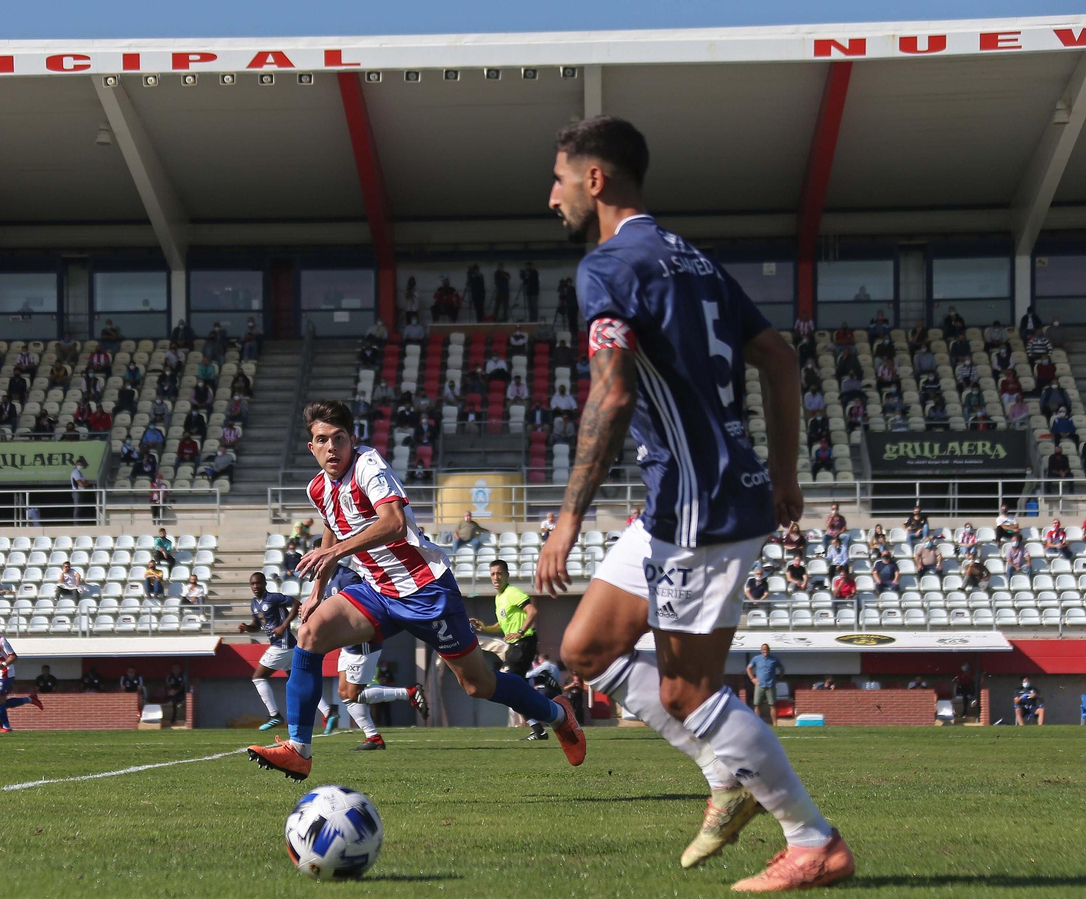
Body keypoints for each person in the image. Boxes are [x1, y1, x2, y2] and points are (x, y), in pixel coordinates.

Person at [534, 117, 849, 888]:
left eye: (560, 179)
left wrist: (568, 514)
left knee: (686, 689)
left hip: (697, 501)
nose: (552, 197)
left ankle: (812, 839)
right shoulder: (695, 260)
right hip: (687, 496)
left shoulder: (607, 266)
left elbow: (610, 393)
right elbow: (777, 356)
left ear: (596, 180)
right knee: (582, 652)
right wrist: (783, 472)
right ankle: (724, 773)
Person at [247, 401, 582, 784]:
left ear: (352, 439)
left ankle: (558, 715)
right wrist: (316, 592)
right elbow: (332, 525)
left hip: (426, 590)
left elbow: (392, 524)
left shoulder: (368, 467)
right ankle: (299, 750)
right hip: (377, 591)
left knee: (478, 685)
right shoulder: (318, 487)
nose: (331, 447)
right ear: (312, 447)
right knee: (309, 634)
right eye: (322, 440)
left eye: (339, 438)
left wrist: (335, 552)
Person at [238, 571, 325, 732]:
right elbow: (256, 625)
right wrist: (247, 628)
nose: (256, 586)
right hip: (285, 646)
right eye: (253, 584)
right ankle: (328, 712)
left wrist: (284, 625)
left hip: (282, 644)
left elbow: (296, 603)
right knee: (300, 683)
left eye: (258, 583)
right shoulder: (254, 604)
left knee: (258, 677)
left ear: (264, 584)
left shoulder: (273, 598)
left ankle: (275, 715)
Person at [470, 559, 547, 737]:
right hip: (516, 645)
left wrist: (520, 631)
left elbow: (532, 611)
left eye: (499, 573)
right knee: (512, 690)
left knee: (506, 685)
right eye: (492, 574)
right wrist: (486, 628)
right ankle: (538, 729)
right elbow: (503, 624)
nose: (495, 577)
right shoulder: (499, 598)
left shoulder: (512, 592)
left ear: (506, 575)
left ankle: (540, 680)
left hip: (524, 642)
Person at [0, 614, 44, 732]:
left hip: (6, 673)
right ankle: (29, 699)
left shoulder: (0, 640)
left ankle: (6, 727)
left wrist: (3, 664)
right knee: (1, 703)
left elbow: (13, 657)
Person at [746, 645, 785, 725]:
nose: (765, 651)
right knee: (757, 705)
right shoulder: (756, 659)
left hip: (770, 685)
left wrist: (778, 679)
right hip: (759, 685)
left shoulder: (774, 659)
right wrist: (752, 678)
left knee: (772, 705)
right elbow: (748, 668)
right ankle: (757, 724)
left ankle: (775, 724)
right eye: (763, 649)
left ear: (769, 650)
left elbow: (782, 669)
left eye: (766, 649)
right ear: (761, 650)